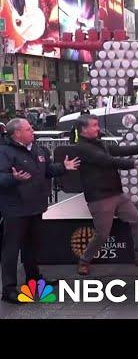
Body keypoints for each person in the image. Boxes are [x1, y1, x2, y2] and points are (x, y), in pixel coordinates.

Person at [0, 118, 80, 304]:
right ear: (17, 133)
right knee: (11, 249)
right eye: (28, 129)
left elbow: (46, 170)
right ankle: (9, 289)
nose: (32, 131)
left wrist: (63, 168)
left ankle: (34, 278)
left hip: (35, 206)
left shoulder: (36, 148)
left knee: (32, 245)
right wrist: (13, 178)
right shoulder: (4, 152)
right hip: (15, 208)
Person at [72, 114, 138, 276]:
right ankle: (84, 261)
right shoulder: (83, 148)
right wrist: (135, 163)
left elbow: (117, 150)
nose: (98, 128)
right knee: (102, 234)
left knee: (136, 219)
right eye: (94, 125)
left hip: (117, 193)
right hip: (100, 197)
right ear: (84, 129)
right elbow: (107, 160)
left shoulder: (98, 143)